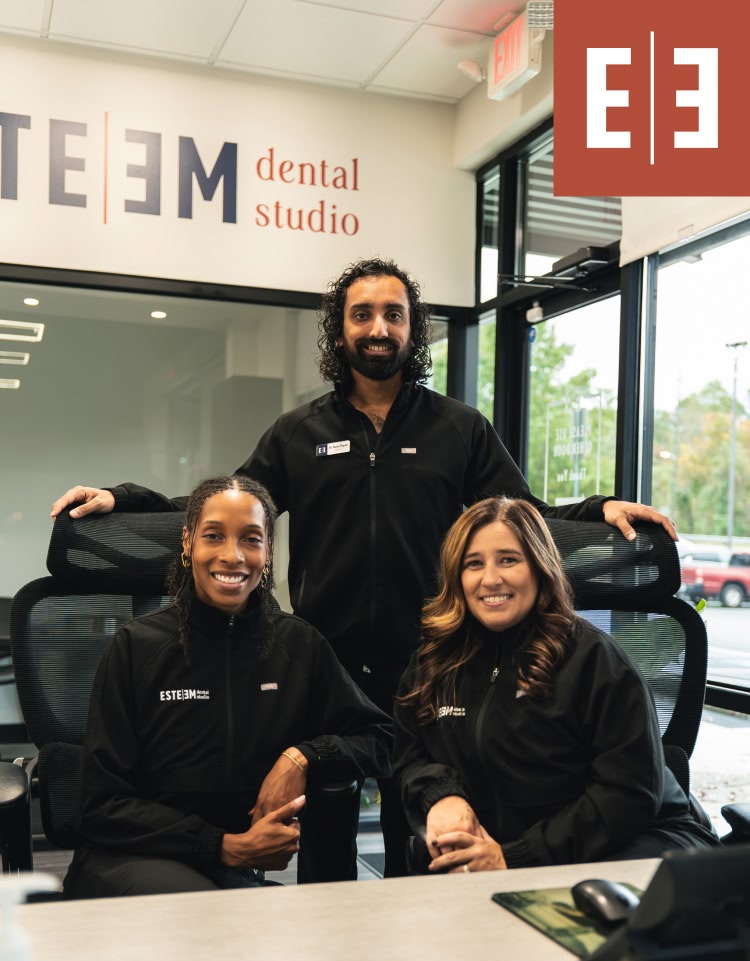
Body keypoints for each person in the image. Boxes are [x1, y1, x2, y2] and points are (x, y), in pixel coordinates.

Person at [51, 257, 678, 878]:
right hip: (328, 658)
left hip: (431, 656)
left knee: (425, 810)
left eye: (394, 315)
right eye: (362, 314)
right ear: (340, 329)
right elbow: (228, 513)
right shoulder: (297, 431)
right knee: (325, 814)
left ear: (413, 329)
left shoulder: (458, 428)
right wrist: (126, 501)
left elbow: (524, 516)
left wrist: (600, 508)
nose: (379, 328)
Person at [62, 475, 391, 899]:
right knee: (210, 916)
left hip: (226, 871)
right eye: (213, 536)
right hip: (126, 858)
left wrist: (303, 757)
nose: (232, 556)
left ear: (268, 552)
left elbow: (381, 738)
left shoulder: (298, 645)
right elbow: (99, 807)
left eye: (251, 539)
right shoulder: (136, 647)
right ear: (187, 543)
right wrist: (222, 847)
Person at [393, 497, 716, 874]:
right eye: (473, 564)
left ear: (539, 566)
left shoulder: (592, 657)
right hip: (503, 851)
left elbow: (627, 794)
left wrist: (513, 859)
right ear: (456, 576)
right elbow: (409, 755)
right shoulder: (434, 662)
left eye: (508, 560)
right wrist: (440, 796)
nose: (491, 578)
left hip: (631, 842)